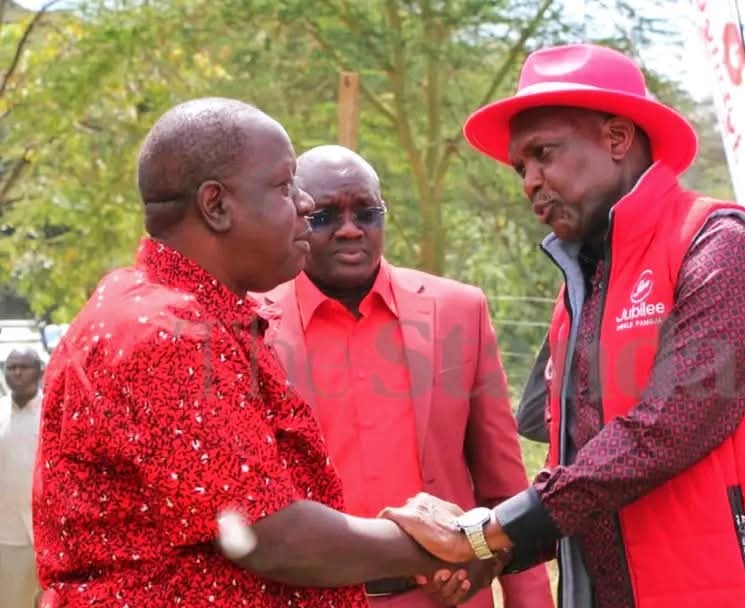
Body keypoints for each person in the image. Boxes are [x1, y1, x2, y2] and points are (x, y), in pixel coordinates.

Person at [381, 43, 745, 607]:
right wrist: (499, 552)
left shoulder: (723, 246)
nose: (529, 180)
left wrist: (487, 532)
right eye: (520, 167)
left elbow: (667, 428)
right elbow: (576, 471)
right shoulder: (583, 287)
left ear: (617, 138)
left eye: (543, 154)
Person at [33, 97, 496, 608]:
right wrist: (449, 541)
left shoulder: (186, 313)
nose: (303, 204)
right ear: (216, 206)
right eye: (283, 186)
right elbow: (270, 535)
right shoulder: (166, 332)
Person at [255, 144, 553, 608]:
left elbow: (503, 481)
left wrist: (528, 599)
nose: (351, 229)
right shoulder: (249, 325)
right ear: (295, 218)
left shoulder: (458, 311)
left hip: (447, 598)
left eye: (367, 212)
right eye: (325, 216)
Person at [0, 348, 44, 607]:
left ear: (39, 371)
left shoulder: (52, 412)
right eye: (11, 367)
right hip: (7, 533)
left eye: (24, 367)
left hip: (46, 531)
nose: (17, 372)